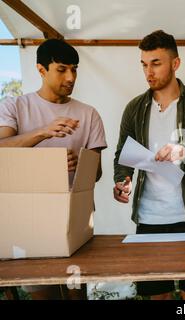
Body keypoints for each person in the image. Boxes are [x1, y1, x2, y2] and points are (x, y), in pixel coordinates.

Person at [113, 30, 185, 300]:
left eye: (156, 63)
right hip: (148, 218)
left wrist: (183, 150)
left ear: (175, 63)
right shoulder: (134, 108)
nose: (148, 72)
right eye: (144, 64)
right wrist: (122, 180)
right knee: (158, 295)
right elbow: (122, 155)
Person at [0, 38, 107, 299]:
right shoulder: (14, 106)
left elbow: (97, 173)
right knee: (43, 292)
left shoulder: (89, 113)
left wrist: (78, 166)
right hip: (28, 217)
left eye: (74, 69)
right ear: (41, 70)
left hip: (76, 216)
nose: (70, 77)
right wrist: (42, 133)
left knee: (75, 293)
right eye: (61, 69)